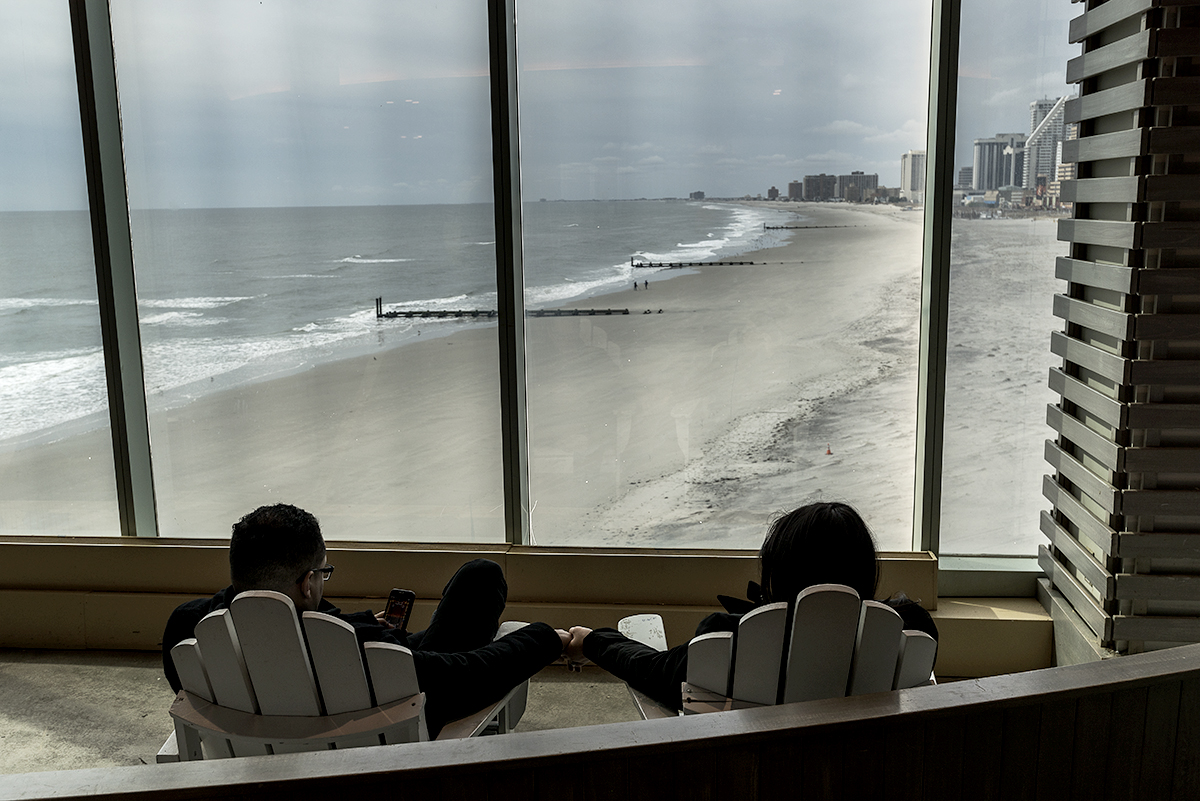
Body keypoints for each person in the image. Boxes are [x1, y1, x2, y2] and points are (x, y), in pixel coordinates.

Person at [162, 503, 569, 737]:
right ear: (307, 584)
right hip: (388, 722)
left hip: (259, 737)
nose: (323, 581)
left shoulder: (188, 628)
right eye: (322, 573)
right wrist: (547, 638)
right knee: (482, 578)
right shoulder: (360, 646)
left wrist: (351, 623)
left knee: (477, 577)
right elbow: (467, 675)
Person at [565, 501, 937, 710]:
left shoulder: (729, 636)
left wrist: (594, 640)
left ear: (780, 573)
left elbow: (652, 670)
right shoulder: (908, 633)